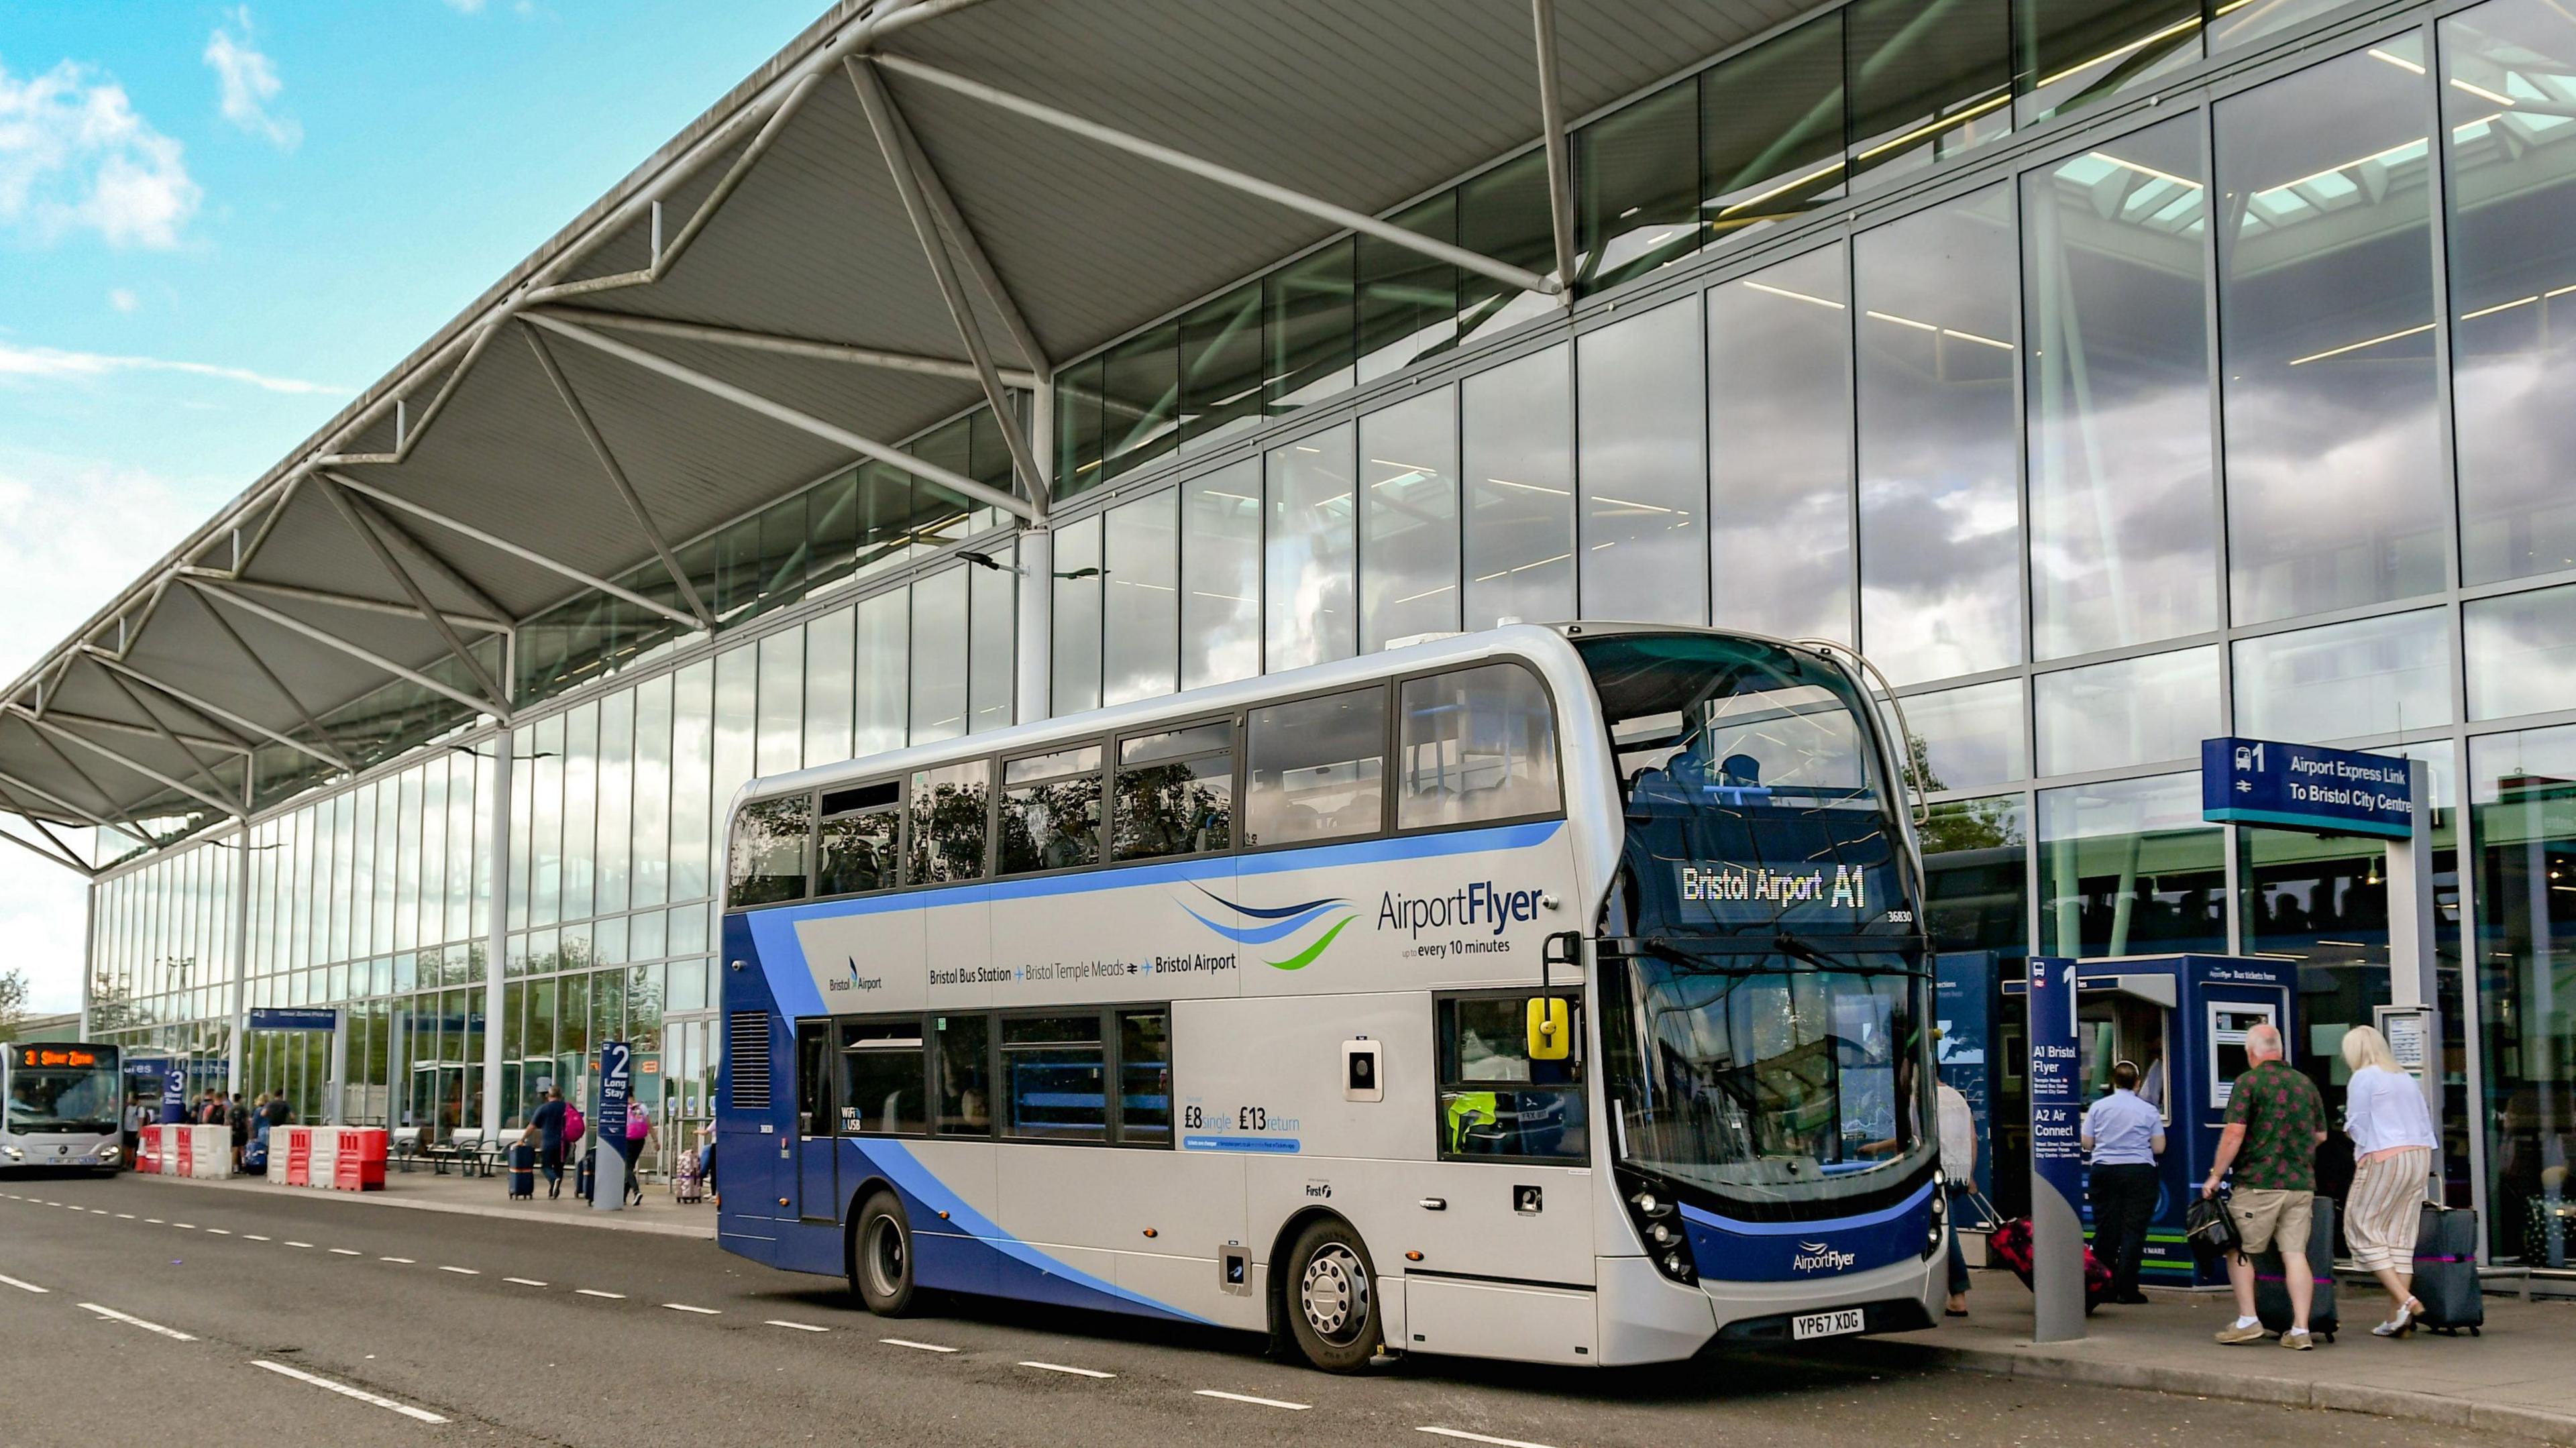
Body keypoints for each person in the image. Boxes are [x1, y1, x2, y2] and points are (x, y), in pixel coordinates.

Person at [2202, 1023, 2328, 1349]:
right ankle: (2300, 1330)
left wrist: (2216, 1174)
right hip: (2300, 1185)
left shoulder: (2249, 1082)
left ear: (2251, 1052)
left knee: (2238, 1248)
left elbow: (2234, 1133)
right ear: (2280, 1050)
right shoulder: (2305, 1084)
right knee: (2296, 1254)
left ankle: (2248, 1320)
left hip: (2258, 1184)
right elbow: (2320, 1135)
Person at [2342, 1023, 2438, 1336]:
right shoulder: (2403, 1077)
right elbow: (2424, 1119)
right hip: (2420, 1155)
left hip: (2385, 1155)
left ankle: (2405, 1299)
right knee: (2400, 1234)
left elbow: (2358, 1123)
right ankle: (2398, 1317)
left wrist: (2358, 1146)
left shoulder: (2363, 1077)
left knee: (2361, 1225)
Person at [2082, 1060, 2166, 1304]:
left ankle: (2103, 1286)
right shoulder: (2148, 1110)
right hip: (2139, 1173)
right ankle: (2127, 1290)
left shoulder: (2098, 1107)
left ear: (2114, 1082)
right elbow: (2159, 1147)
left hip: (2104, 1172)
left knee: (2106, 1229)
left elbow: (2087, 1143)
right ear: (2138, 1083)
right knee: (2133, 1231)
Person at [1937, 1078, 1976, 1317]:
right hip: (1959, 1173)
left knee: (1946, 1234)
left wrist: (1878, 1148)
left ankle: (1959, 1294)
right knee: (1945, 1231)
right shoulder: (1958, 1098)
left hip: (1938, 1173)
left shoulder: (1922, 1100)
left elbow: (1914, 1139)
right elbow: (1972, 1139)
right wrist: (1970, 1175)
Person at [527, 1087, 568, 1199]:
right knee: (559, 1167)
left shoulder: (544, 1108)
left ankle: (554, 1180)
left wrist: (522, 1139)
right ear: (561, 1095)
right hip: (565, 1143)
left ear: (548, 1096)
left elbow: (532, 1126)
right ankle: (553, 1191)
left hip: (549, 1143)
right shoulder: (567, 1108)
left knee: (545, 1167)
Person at [623, 1099, 656, 1207]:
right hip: (640, 1141)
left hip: (628, 1140)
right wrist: (655, 1141)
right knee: (630, 1169)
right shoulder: (642, 1107)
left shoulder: (624, 1107)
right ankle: (623, 1197)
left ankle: (636, 1192)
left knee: (627, 1169)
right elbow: (649, 1125)